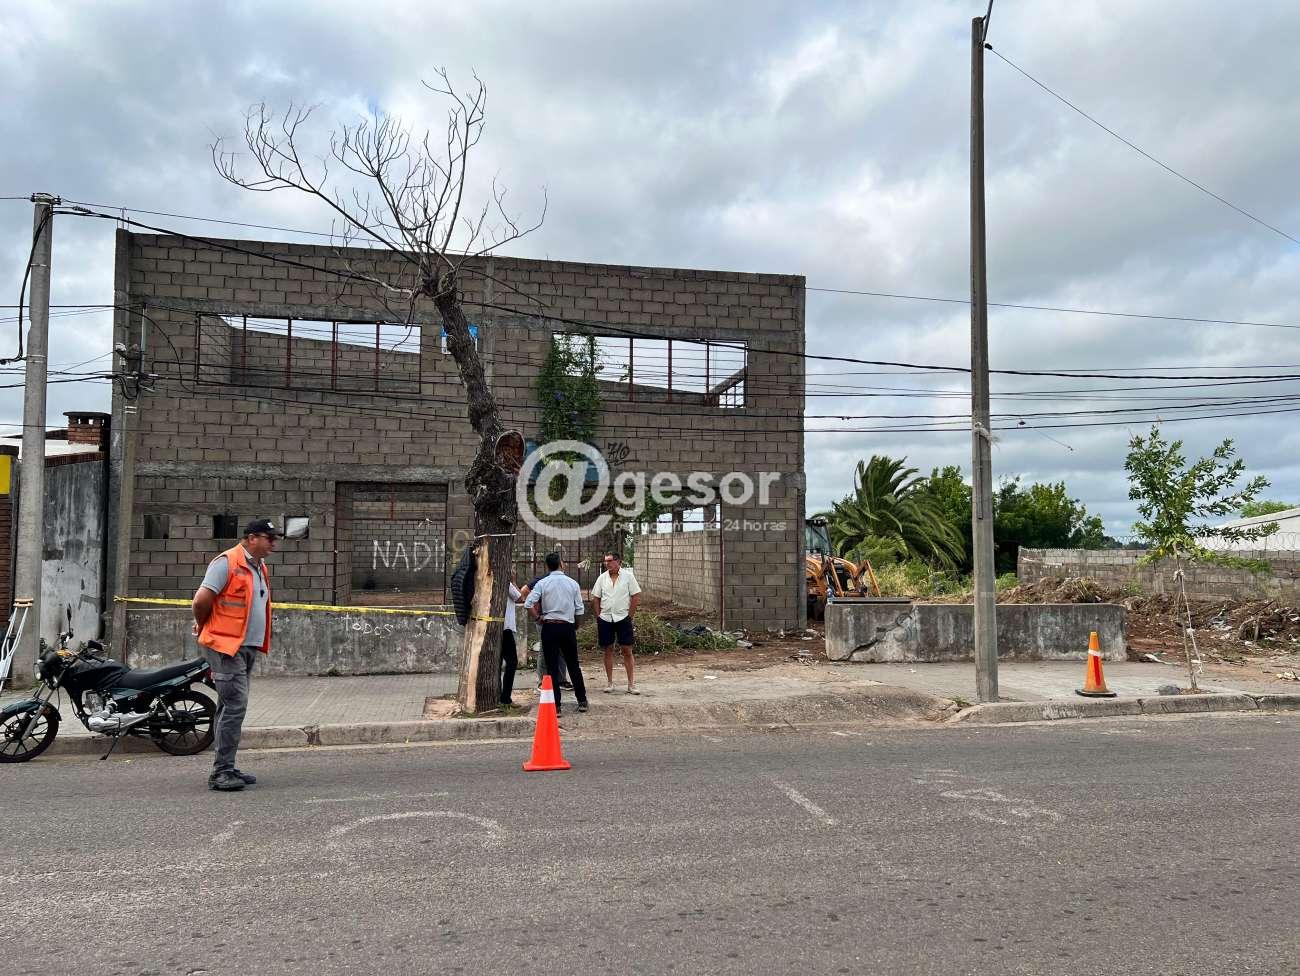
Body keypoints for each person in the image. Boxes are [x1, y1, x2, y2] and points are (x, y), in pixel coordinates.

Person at [191, 517, 279, 792]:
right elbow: (201, 601)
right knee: (235, 706)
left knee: (228, 706)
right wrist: (204, 625)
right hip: (226, 646)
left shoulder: (259, 566)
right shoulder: (226, 563)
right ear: (252, 538)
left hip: (247, 646)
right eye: (269, 538)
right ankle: (221, 772)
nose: (273, 544)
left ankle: (226, 765)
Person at [522, 552, 588, 715]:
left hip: (549, 627)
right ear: (561, 564)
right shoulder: (572, 583)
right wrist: (576, 625)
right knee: (573, 665)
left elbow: (528, 603)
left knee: (551, 667)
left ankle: (556, 705)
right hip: (567, 627)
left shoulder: (542, 583)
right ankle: (582, 701)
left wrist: (538, 618)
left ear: (547, 566)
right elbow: (579, 609)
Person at [591, 551, 642, 695]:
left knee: (627, 650)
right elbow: (596, 598)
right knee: (608, 649)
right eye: (605, 561)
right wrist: (599, 616)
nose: (607, 564)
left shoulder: (628, 577)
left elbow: (635, 596)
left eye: (610, 561)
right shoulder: (602, 578)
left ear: (618, 561)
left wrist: (629, 616)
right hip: (606, 618)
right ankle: (609, 682)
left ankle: (631, 684)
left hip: (623, 618)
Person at [521, 572, 569, 689]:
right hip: (544, 619)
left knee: (561, 648)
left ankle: (561, 680)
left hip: (560, 619)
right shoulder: (542, 579)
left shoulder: (565, 580)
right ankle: (543, 681)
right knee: (544, 648)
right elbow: (524, 591)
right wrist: (536, 613)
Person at [500, 572, 522, 706]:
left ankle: (501, 695)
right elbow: (519, 597)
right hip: (505, 628)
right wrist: (513, 581)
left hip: (498, 627)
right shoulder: (506, 583)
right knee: (512, 662)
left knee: (500, 661)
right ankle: (505, 697)